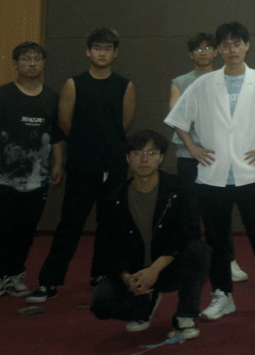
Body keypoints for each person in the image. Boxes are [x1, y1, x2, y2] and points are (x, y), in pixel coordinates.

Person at [164, 21, 255, 321]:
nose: (232, 50)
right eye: (225, 45)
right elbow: (178, 118)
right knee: (216, 241)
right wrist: (192, 147)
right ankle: (222, 295)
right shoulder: (204, 84)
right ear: (219, 50)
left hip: (251, 174)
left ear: (247, 46)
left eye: (237, 44)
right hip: (213, 176)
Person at [29, 28, 136, 303]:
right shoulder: (73, 84)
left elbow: (124, 125)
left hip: (113, 166)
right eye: (97, 48)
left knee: (109, 224)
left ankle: (100, 274)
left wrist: (107, 146)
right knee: (70, 224)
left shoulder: (125, 85)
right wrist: (87, 146)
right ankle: (49, 281)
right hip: (81, 165)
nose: (102, 53)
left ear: (115, 53)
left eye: (108, 48)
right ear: (88, 52)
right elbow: (64, 123)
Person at [90, 130, 210, 340]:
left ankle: (185, 315)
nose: (144, 159)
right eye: (137, 153)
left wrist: (154, 270)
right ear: (128, 158)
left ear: (161, 158)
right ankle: (145, 303)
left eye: (152, 153)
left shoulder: (181, 189)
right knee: (102, 304)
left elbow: (188, 234)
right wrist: (127, 278)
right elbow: (107, 247)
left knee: (199, 250)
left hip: (168, 267)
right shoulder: (114, 197)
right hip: (135, 272)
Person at [0, 42, 64, 304]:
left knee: (25, 231)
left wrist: (58, 164)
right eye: (26, 59)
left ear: (44, 63)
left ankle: (12, 275)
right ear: (15, 63)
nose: (32, 63)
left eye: (37, 59)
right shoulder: (0, 96)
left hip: (37, 179)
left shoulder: (52, 98)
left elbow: (57, 136)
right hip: (1, 177)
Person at [168, 33, 247, 284]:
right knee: (189, 213)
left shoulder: (227, 78)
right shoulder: (180, 81)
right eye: (198, 49)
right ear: (191, 55)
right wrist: (193, 146)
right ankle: (192, 264)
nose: (203, 53)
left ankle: (227, 260)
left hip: (218, 156)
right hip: (188, 155)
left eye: (208, 48)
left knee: (220, 213)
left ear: (216, 52)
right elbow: (177, 114)